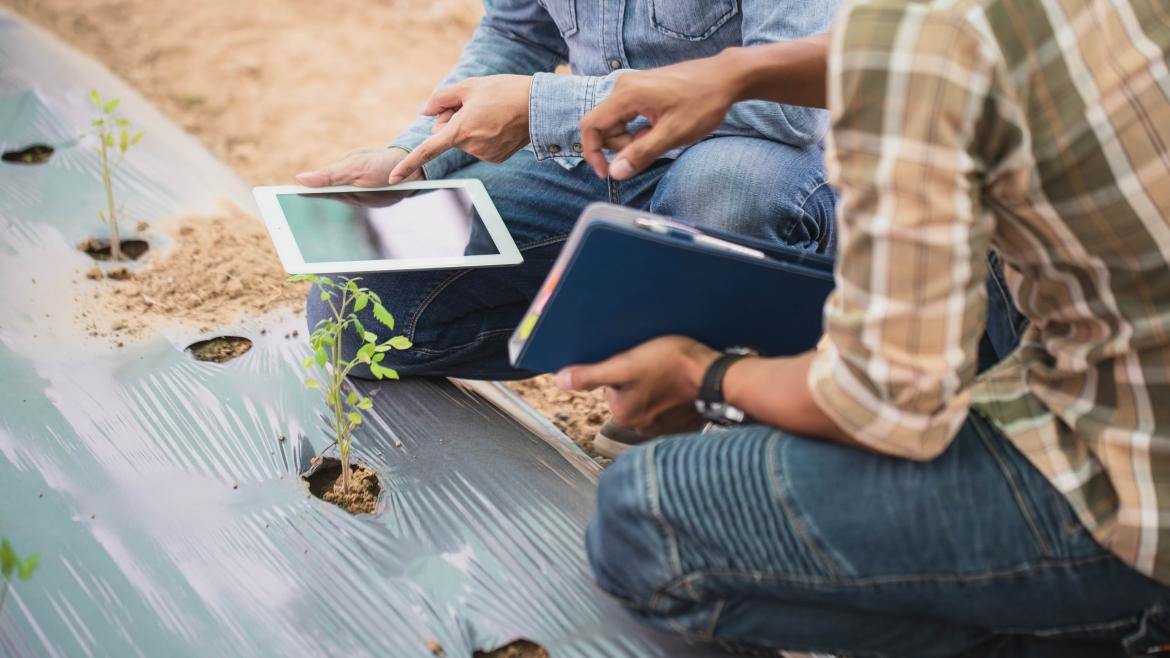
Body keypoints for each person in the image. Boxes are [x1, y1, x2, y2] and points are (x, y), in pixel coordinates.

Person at [560, 1, 1170, 655]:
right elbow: (950, 50)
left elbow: (886, 401)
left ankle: (1114, 632)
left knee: (643, 515)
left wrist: (702, 375)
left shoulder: (915, 37)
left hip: (1138, 487)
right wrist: (739, 70)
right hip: (1134, 355)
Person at [294, 0, 839, 382]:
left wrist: (542, 108)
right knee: (354, 319)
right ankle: (655, 350)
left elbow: (786, 109)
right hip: (589, 159)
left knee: (727, 191)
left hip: (747, 159)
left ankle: (710, 389)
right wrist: (411, 157)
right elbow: (517, 35)